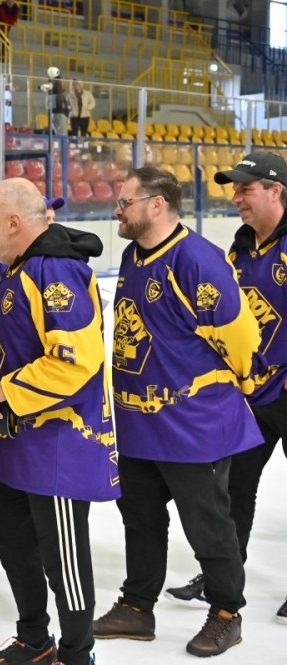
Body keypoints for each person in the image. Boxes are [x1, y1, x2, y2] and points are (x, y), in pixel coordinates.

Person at [92, 166, 266, 658]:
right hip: (138, 423)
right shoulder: (132, 254)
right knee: (140, 517)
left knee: (207, 523)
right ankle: (137, 606)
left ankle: (227, 613)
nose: (117, 210)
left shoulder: (198, 260)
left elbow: (240, 339)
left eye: (125, 201)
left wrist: (235, 387)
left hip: (194, 424)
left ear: (157, 204)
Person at [0, 178, 118, 665]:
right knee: (9, 532)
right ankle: (34, 639)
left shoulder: (55, 270)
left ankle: (76, 654)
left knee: (62, 554)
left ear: (12, 222)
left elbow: (74, 360)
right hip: (23, 438)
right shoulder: (17, 267)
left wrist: (7, 391)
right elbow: (18, 342)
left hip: (58, 441)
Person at [164, 153, 287, 624]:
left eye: (246, 188)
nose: (235, 197)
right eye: (234, 188)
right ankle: (222, 579)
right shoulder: (239, 249)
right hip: (253, 393)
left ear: (276, 190)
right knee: (234, 489)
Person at [48, 69, 70, 137]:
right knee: (62, 134)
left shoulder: (52, 90)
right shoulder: (58, 92)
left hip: (55, 114)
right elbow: (60, 103)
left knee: (58, 133)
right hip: (60, 114)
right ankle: (62, 144)